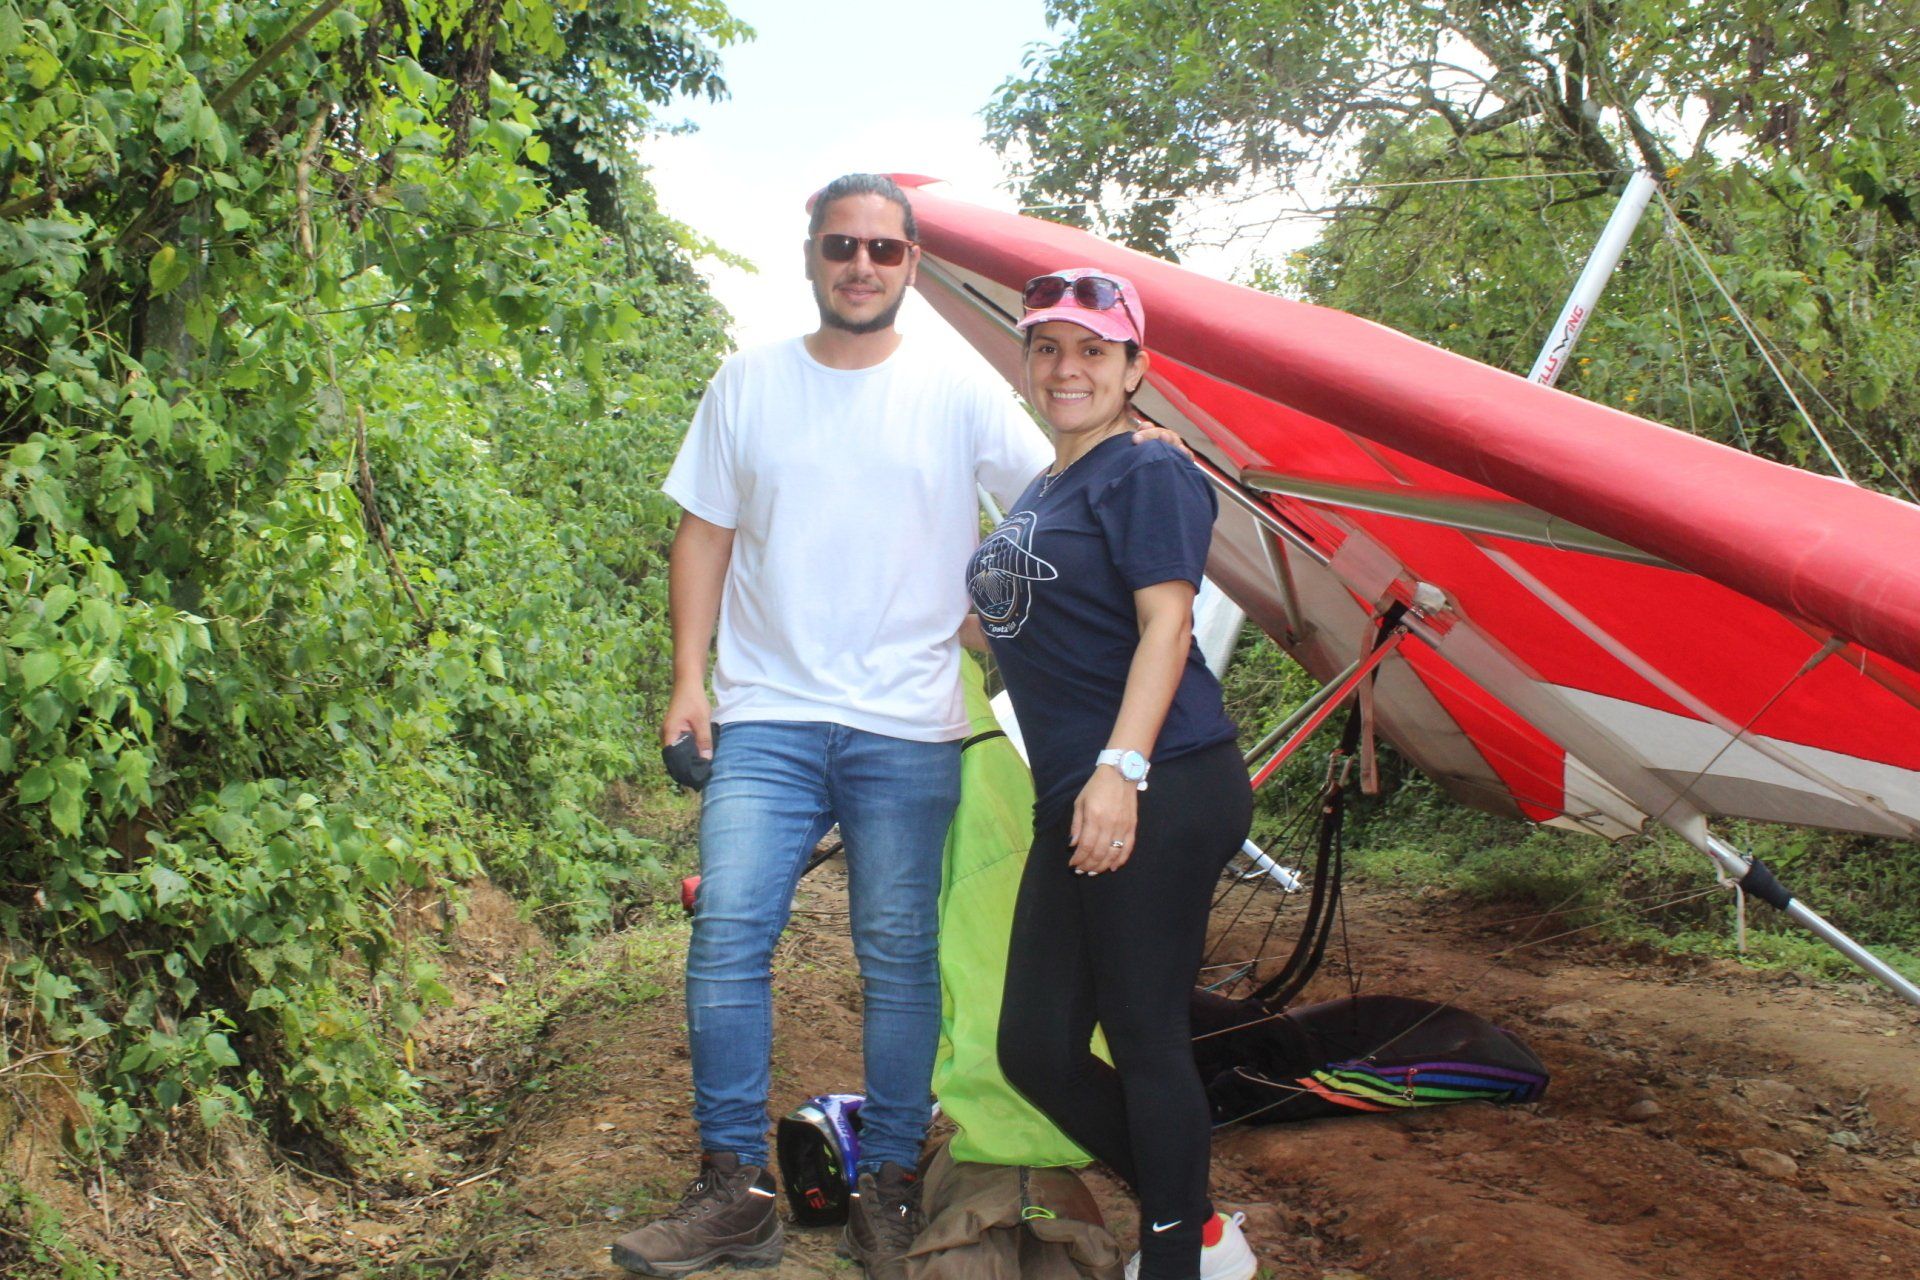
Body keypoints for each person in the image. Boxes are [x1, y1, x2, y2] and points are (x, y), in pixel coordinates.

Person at [611, 177, 1179, 1279]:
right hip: (768, 711)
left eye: (883, 247)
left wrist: (1124, 461)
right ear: (812, 256)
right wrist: (690, 680)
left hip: (910, 722)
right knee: (728, 930)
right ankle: (732, 1187)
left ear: (912, 262)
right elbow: (702, 534)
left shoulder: (959, 393)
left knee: (901, 956)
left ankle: (888, 1186)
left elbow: (1053, 502)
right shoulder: (748, 383)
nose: (861, 264)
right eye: (842, 246)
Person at [967, 269, 1258, 1280]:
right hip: (1082, 790)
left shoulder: (1148, 470)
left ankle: (1177, 1258)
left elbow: (1167, 623)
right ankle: (1198, 1221)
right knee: (1035, 1048)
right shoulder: (1046, 487)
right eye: (1048, 346)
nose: (1067, 367)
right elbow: (1007, 623)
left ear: (1136, 368)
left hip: (1160, 773)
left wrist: (1119, 770)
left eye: (1094, 349)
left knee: (1142, 1035)